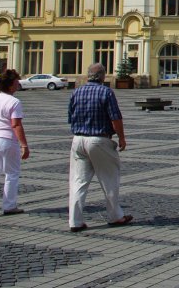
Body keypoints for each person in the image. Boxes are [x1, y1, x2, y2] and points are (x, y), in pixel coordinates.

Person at [67, 63, 131, 232]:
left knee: (78, 182)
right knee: (109, 180)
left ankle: (75, 221)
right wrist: (122, 138)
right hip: (99, 140)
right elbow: (115, 118)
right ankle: (115, 216)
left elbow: (70, 117)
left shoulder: (76, 91)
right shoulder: (106, 92)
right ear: (102, 76)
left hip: (78, 139)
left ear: (88, 76)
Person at [0, 69, 30, 215]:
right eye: (16, 82)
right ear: (10, 85)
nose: (18, 85)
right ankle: (9, 205)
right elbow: (16, 124)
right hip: (6, 139)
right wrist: (24, 144)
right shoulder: (14, 102)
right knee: (12, 173)